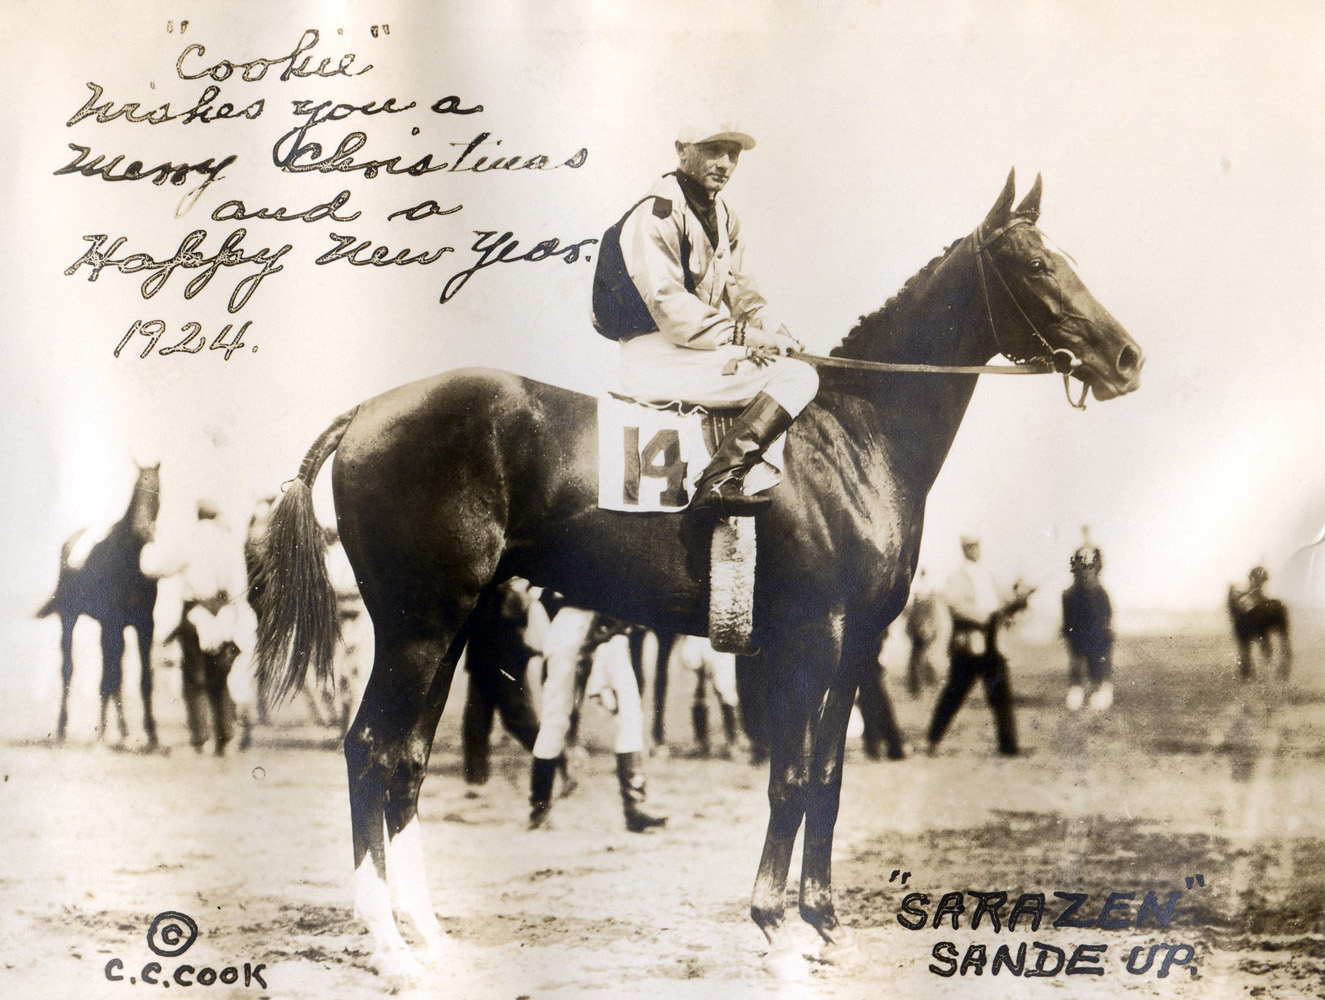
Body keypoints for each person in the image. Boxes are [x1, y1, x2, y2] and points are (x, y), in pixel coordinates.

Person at [599, 121, 820, 517]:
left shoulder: (724, 215)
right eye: (713, 150)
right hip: (655, 354)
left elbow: (741, 292)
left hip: (688, 349)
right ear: (682, 150)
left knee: (792, 364)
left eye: (732, 154)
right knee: (798, 378)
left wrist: (776, 330)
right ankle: (719, 479)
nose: (725, 163)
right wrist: (746, 336)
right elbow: (668, 305)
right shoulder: (658, 211)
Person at [528, 603, 667, 832]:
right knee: (556, 717)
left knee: (629, 711)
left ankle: (635, 806)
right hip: (585, 623)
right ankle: (539, 809)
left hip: (606, 628)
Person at [157, 499, 250, 755]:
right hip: (222, 609)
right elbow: (239, 583)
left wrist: (149, 548)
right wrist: (231, 613)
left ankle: (201, 738)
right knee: (220, 675)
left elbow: (161, 567)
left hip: (196, 610)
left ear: (198, 515)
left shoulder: (189, 538)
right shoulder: (228, 540)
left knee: (194, 676)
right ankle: (226, 736)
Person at [926, 536, 1033, 757]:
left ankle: (1009, 747)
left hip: (993, 644)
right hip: (969, 646)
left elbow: (1003, 603)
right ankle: (932, 740)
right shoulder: (956, 578)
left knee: (1001, 693)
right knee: (954, 694)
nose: (975, 550)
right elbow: (955, 606)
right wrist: (984, 616)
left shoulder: (987, 575)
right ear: (964, 549)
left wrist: (1019, 600)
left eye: (977, 546)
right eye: (971, 547)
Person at [460, 579, 544, 789]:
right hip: (482, 662)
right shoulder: (485, 587)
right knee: (475, 723)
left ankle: (555, 759)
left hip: (506, 664)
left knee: (518, 720)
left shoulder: (510, 591)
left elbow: (515, 614)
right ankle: (476, 781)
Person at [1061, 541, 1115, 711]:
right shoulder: (1071, 594)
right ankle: (1081, 694)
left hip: (1095, 635)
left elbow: (1106, 615)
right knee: (1078, 664)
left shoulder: (1098, 592)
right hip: (1080, 634)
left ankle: (1097, 692)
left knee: (1096, 666)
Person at [904, 569, 943, 697]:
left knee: (918, 658)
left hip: (922, 630)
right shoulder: (926, 591)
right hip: (923, 629)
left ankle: (920, 686)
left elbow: (926, 614)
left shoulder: (922, 591)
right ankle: (924, 684)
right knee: (921, 657)